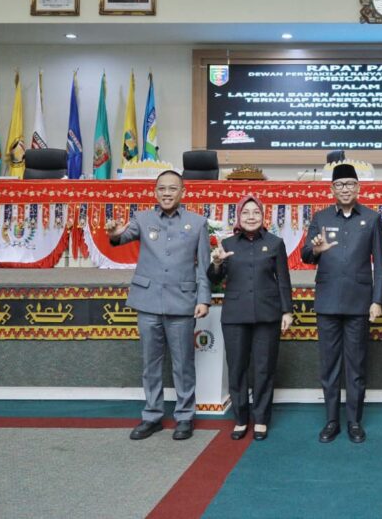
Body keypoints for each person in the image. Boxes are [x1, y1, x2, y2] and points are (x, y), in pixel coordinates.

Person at [106, 170, 210, 441]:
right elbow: (120, 238)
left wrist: (203, 299)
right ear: (155, 192)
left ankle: (184, 416)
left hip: (182, 303)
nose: (166, 193)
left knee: (183, 364)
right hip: (148, 301)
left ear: (182, 192)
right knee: (150, 364)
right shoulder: (142, 219)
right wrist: (115, 235)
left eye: (172, 188)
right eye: (162, 188)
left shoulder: (197, 223)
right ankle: (152, 416)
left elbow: (203, 267)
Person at [302, 164, 382, 444]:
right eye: (340, 184)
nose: (345, 189)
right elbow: (306, 255)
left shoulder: (371, 218)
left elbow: (379, 264)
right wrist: (315, 249)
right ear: (332, 189)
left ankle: (354, 422)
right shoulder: (321, 217)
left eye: (350, 184)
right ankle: (331, 421)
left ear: (358, 187)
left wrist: (377, 300)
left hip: (359, 302)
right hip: (327, 301)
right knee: (329, 366)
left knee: (356, 365)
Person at [208, 194, 293, 441]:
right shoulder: (227, 243)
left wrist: (287, 311)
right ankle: (241, 418)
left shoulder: (275, 243)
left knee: (264, 368)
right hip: (235, 315)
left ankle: (261, 419)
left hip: (268, 314)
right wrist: (216, 263)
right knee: (237, 368)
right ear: (238, 216)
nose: (251, 217)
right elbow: (215, 278)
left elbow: (283, 280)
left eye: (256, 212)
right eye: (246, 212)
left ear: (263, 216)